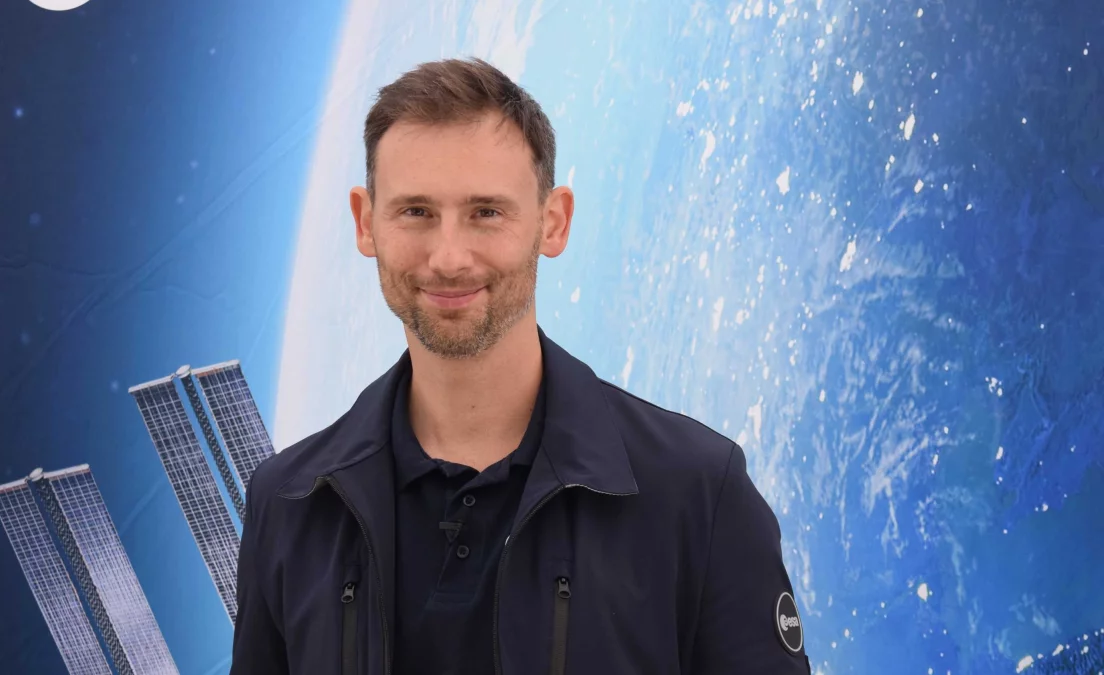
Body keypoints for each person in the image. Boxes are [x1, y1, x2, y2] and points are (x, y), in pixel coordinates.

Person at [231, 57, 811, 675]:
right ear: (365, 222)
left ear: (552, 222)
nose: (449, 257)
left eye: (486, 212)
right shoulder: (289, 506)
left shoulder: (696, 492)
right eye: (416, 212)